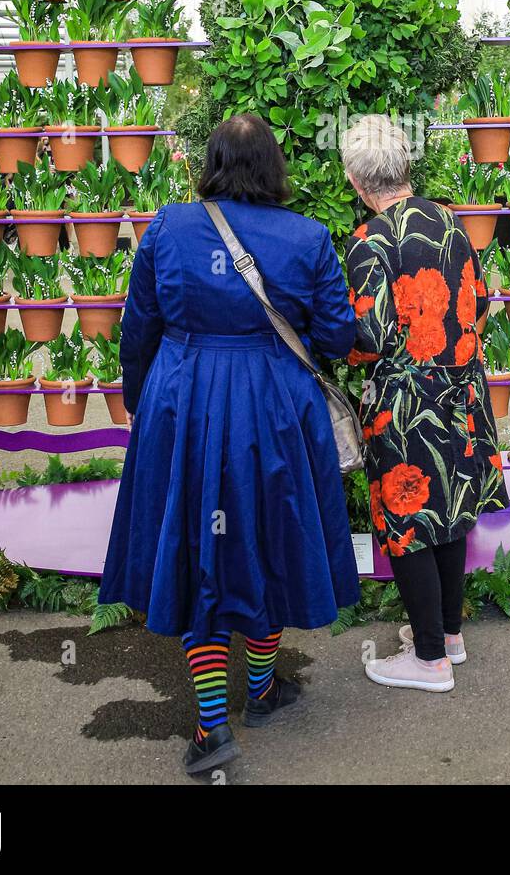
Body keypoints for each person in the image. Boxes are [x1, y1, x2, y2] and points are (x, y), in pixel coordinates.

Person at [98, 113, 359, 776]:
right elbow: (333, 336)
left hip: (182, 402)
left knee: (197, 553)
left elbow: (138, 327)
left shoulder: (168, 227)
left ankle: (213, 729)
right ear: (274, 165)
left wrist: (139, 401)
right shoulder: (306, 237)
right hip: (274, 409)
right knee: (269, 541)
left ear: (210, 162)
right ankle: (264, 688)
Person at [341, 115, 509, 694]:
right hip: (461, 391)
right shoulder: (451, 223)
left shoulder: (369, 242)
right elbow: (480, 304)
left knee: (408, 518)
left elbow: (369, 337)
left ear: (356, 180)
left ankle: (430, 659)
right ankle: (448, 637)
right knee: (451, 505)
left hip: (404, 402)